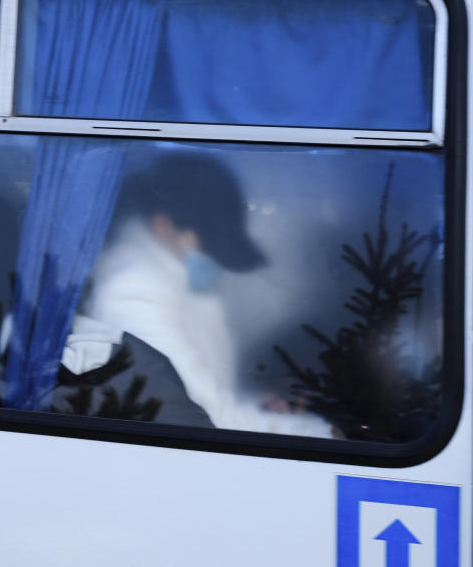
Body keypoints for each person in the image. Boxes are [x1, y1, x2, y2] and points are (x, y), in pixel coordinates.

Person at [68, 152, 333, 436]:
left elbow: (208, 389)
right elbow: (199, 413)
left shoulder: (176, 279)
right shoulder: (131, 292)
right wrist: (320, 432)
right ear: (163, 225)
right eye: (206, 242)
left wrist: (255, 407)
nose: (212, 256)